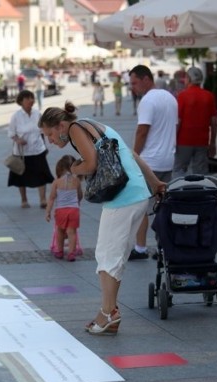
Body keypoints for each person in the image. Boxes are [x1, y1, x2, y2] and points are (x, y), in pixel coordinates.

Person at [39, 101, 167, 335]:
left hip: (122, 198)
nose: (50, 141)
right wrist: (155, 182)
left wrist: (74, 170)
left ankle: (108, 313)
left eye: (49, 134)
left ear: (60, 126)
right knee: (114, 257)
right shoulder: (94, 125)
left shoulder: (76, 129)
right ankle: (110, 312)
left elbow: (91, 164)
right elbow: (132, 154)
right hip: (137, 194)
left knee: (106, 256)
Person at [128, 64, 178, 260]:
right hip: (167, 160)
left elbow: (143, 131)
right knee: (163, 206)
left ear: (146, 79)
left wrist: (134, 155)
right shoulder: (170, 98)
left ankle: (140, 248)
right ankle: (163, 248)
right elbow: (175, 126)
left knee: (140, 206)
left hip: (150, 161)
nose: (133, 88)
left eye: (134, 83)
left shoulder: (147, 101)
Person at [8, 90, 54, 208]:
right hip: (22, 152)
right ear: (21, 101)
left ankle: (43, 199)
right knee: (20, 176)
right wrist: (18, 140)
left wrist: (46, 146)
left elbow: (43, 131)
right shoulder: (16, 116)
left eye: (32, 98)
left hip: (37, 149)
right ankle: (24, 200)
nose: (31, 100)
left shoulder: (37, 113)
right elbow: (11, 133)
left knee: (42, 175)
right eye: (27, 98)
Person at [173, 66, 217, 178]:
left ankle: (180, 193)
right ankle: (200, 194)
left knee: (179, 170)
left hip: (184, 140)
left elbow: (178, 121)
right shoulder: (209, 96)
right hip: (202, 140)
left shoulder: (182, 96)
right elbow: (214, 121)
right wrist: (212, 142)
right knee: (201, 173)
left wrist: (172, 140)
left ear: (189, 79)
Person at [45, 155, 83, 262]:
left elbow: (52, 198)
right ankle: (71, 253)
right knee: (72, 232)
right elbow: (80, 195)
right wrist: (78, 202)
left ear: (59, 168)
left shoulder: (57, 182)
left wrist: (48, 212)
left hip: (61, 210)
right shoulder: (76, 181)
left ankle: (60, 251)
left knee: (60, 231)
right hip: (73, 210)